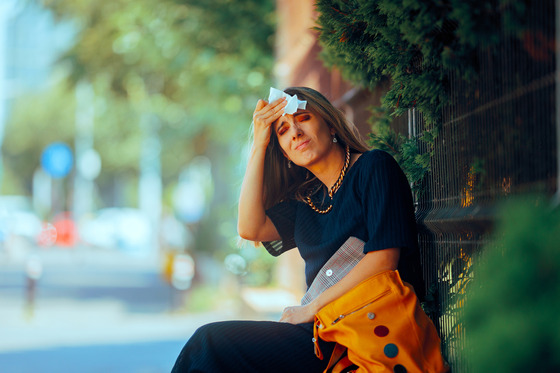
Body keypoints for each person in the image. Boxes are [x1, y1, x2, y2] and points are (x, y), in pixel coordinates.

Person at [171, 87, 447, 373]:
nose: (295, 132)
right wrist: (259, 144)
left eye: (303, 118)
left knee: (209, 343)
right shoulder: (308, 200)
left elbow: (383, 260)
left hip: (369, 327)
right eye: (283, 130)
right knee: (209, 350)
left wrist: (309, 309)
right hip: (323, 333)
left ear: (330, 124)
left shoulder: (374, 167)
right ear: (285, 153)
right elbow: (249, 228)